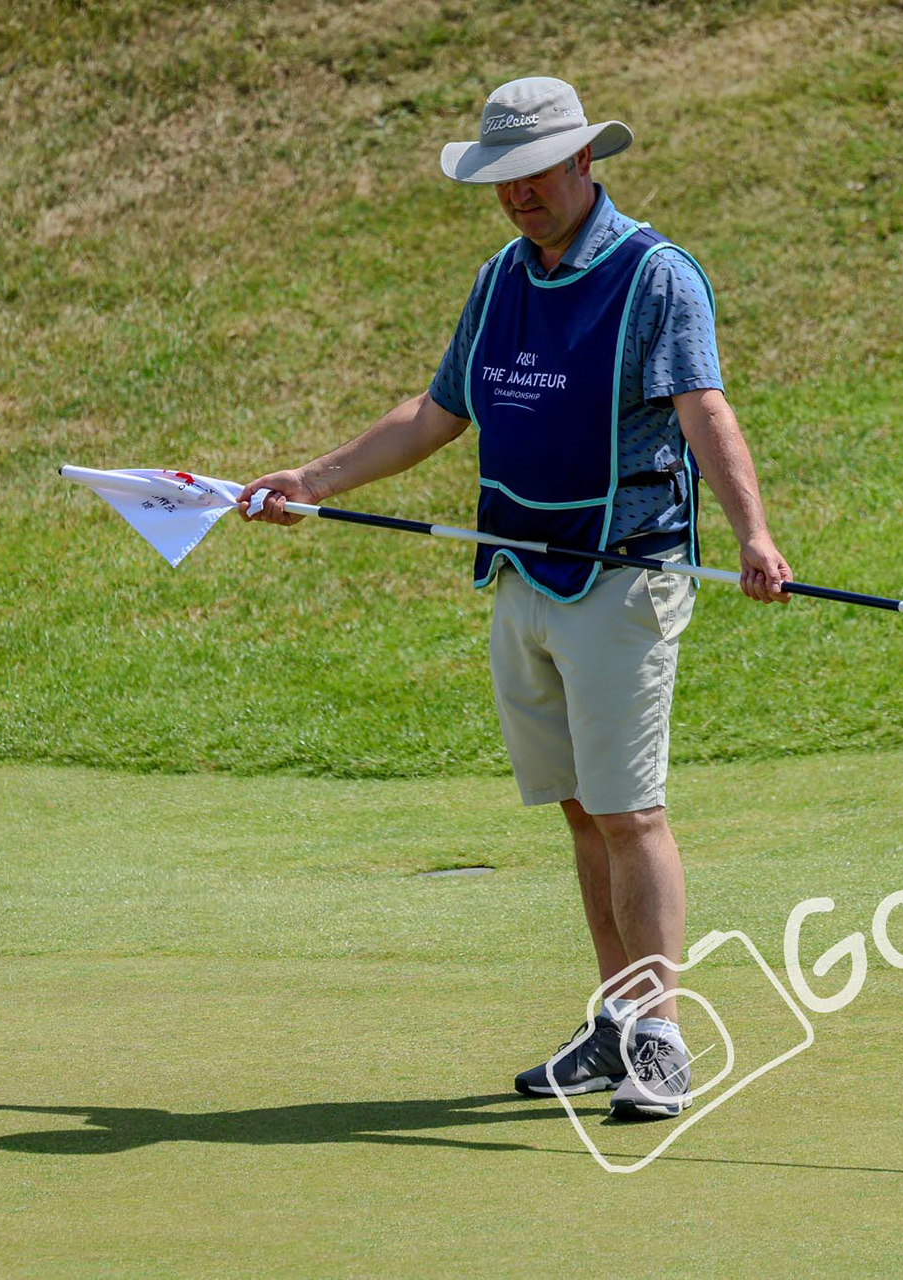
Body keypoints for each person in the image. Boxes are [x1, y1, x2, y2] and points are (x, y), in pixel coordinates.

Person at [237, 76, 791, 1121]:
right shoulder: (501, 279)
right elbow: (438, 410)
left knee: (631, 812)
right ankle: (619, 1015)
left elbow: (704, 408)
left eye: (533, 174)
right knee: (583, 812)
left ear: (585, 162)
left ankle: (663, 1035)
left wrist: (755, 535)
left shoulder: (655, 276)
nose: (517, 197)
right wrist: (312, 482)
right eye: (500, 180)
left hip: (622, 576)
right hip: (522, 577)